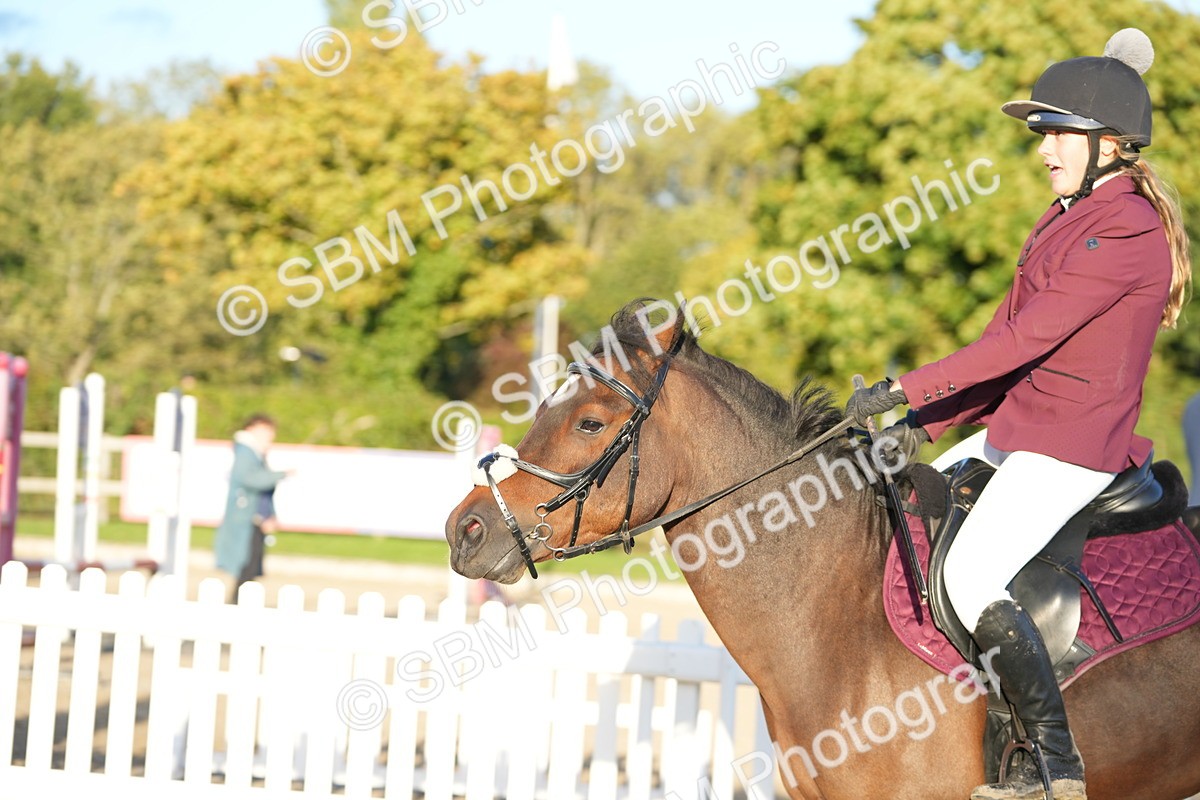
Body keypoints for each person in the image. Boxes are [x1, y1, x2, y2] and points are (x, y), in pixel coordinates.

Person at [845, 29, 1190, 800]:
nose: (1044, 148)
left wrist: (909, 388)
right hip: (1022, 434)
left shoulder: (1126, 229)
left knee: (968, 576)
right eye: (1043, 135)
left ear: (1108, 144)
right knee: (906, 509)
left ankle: (1050, 765)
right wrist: (924, 427)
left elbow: (1028, 339)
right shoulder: (1061, 218)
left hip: (1075, 446)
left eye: (1059, 133)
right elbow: (1005, 343)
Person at [215, 414, 290, 602]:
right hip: (246, 519)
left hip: (255, 518)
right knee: (245, 565)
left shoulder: (256, 453)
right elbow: (250, 479)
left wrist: (269, 515)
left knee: (251, 566)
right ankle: (236, 604)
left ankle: (241, 602)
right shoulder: (246, 452)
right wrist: (280, 475)